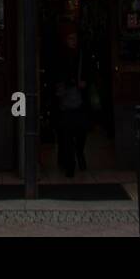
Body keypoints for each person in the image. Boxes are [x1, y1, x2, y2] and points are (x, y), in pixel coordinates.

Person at [54, 30, 88, 177]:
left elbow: (89, 71)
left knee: (81, 131)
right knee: (67, 133)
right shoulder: (61, 56)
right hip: (66, 99)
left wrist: (84, 82)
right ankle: (70, 164)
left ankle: (78, 153)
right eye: (70, 38)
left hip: (79, 99)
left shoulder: (81, 55)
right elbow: (57, 74)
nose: (72, 41)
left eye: (74, 38)